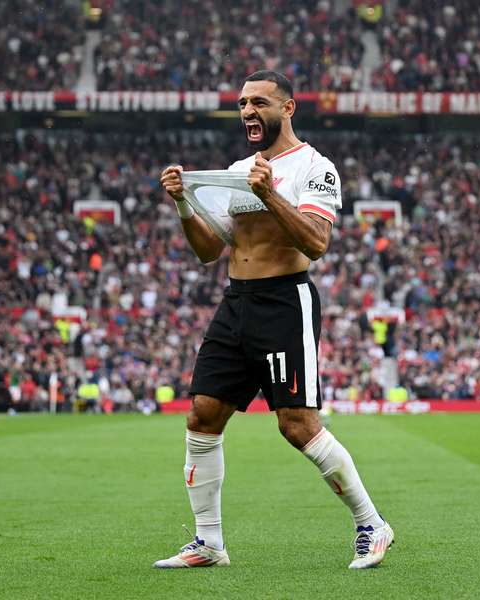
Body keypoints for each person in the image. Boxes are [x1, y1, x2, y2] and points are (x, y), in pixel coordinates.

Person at [154, 70, 393, 570]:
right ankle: (209, 543)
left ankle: (372, 523)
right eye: (242, 103)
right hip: (236, 300)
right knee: (203, 415)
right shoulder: (239, 168)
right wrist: (181, 204)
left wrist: (269, 195)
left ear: (288, 108)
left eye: (259, 102)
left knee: (298, 425)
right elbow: (208, 251)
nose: (247, 111)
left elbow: (316, 244)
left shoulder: (316, 168)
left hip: (286, 301)